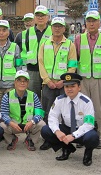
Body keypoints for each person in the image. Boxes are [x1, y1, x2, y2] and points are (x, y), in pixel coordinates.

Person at [41, 73, 99, 166]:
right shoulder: (59, 100)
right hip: (67, 129)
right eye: (67, 86)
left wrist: (73, 135)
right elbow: (52, 117)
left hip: (82, 131)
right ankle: (67, 148)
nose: (69, 89)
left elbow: (89, 124)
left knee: (92, 137)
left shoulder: (86, 102)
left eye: (73, 86)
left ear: (79, 87)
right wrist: (57, 131)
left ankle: (88, 153)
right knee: (45, 130)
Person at [74, 10, 101, 149]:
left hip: (99, 79)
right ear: (85, 23)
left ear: (99, 22)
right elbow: (75, 59)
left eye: (94, 20)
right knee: (81, 109)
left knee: (98, 110)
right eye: (89, 21)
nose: (91, 23)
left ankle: (98, 136)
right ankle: (81, 135)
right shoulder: (78, 39)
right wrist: (75, 79)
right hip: (82, 79)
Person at [38, 17, 77, 150]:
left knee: (65, 112)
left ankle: (66, 138)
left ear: (64, 29)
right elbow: (41, 63)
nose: (57, 28)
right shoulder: (44, 44)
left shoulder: (70, 45)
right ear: (51, 27)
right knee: (48, 112)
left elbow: (72, 66)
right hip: (48, 84)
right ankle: (48, 139)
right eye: (55, 26)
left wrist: (64, 81)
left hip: (63, 85)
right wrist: (47, 80)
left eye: (60, 26)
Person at [0, 70, 45, 151]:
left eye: (25, 81)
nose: (22, 83)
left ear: (28, 83)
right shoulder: (7, 96)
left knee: (42, 124)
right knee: (2, 126)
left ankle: (30, 140)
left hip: (29, 124)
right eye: (19, 80)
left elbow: (39, 113)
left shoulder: (33, 95)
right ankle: (12, 139)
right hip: (14, 124)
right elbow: (3, 114)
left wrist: (32, 122)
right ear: (15, 82)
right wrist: (11, 123)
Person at [15, 5, 52, 99]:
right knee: (32, 97)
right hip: (32, 71)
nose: (40, 18)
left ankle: (45, 114)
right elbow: (19, 53)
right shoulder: (25, 33)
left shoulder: (53, 31)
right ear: (34, 17)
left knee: (48, 97)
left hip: (49, 71)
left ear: (47, 17)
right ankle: (34, 114)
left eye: (43, 15)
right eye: (38, 15)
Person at [0, 20, 22, 105]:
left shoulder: (15, 47)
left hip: (10, 86)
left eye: (4, 30)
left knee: (10, 109)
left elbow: (19, 66)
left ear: (8, 32)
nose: (1, 33)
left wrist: (17, 83)